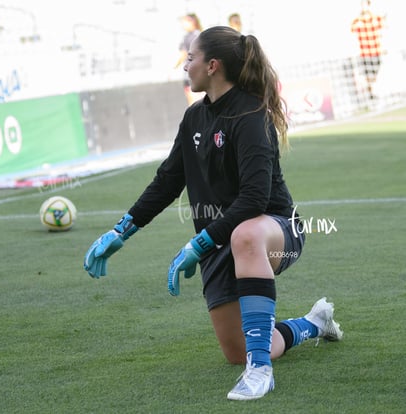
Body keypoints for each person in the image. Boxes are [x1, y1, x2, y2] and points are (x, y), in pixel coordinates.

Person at [84, 26, 343, 401]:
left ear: (213, 66)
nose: (185, 65)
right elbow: (167, 182)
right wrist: (120, 231)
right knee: (238, 350)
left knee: (246, 235)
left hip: (276, 231)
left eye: (191, 58)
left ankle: (261, 373)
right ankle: (313, 323)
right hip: (221, 240)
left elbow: (255, 199)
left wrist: (200, 243)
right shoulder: (194, 118)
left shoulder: (251, 114)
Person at [351, 0, 386, 100]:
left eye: (365, 4)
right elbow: (351, 33)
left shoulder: (376, 18)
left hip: (376, 51)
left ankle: (371, 92)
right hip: (364, 54)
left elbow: (384, 29)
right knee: (366, 76)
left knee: (374, 75)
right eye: (362, 5)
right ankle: (370, 94)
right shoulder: (357, 21)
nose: (364, 7)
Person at [174, 13, 204, 105]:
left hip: (191, 76)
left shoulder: (189, 37)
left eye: (184, 22)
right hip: (200, 75)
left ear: (192, 22)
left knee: (194, 104)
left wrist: (173, 67)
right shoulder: (201, 35)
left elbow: (183, 54)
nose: (183, 25)